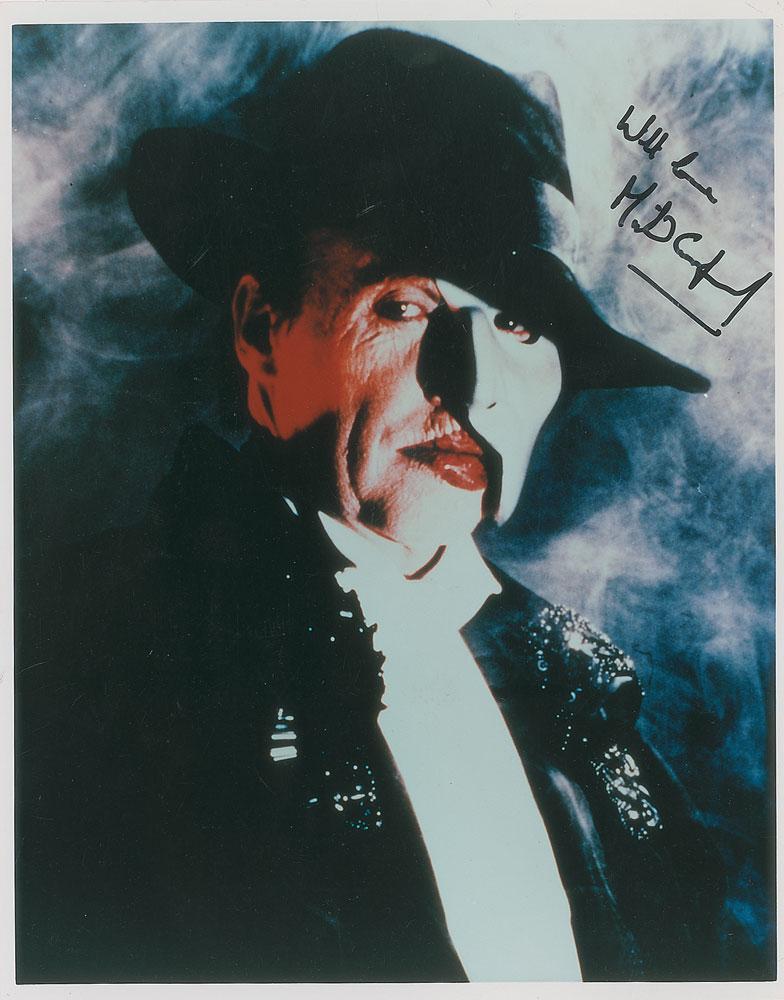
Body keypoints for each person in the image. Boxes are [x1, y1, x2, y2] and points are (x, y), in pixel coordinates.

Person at [16, 28, 732, 983]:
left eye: (518, 323)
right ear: (261, 329)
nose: (476, 385)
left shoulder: (575, 690)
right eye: (405, 306)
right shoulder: (89, 653)